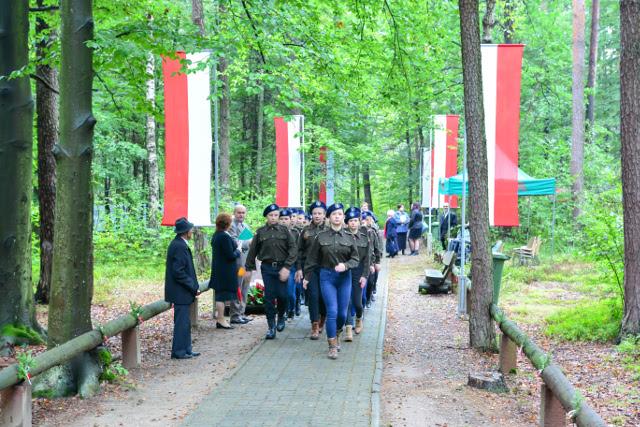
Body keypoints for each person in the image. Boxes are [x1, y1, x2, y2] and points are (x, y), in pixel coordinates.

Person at [304, 203, 359, 359]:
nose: (337, 217)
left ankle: (337, 332)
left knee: (342, 313)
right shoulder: (320, 237)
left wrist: (346, 265)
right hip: (327, 276)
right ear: (328, 217)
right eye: (334, 214)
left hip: (344, 278)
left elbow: (355, 259)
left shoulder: (349, 236)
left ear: (343, 217)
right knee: (332, 311)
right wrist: (307, 277)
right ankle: (332, 345)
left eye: (339, 214)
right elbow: (312, 259)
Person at [245, 204, 297, 339]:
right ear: (266, 217)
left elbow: (293, 249)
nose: (273, 218)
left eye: (276, 215)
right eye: (271, 215)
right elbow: (253, 251)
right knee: (269, 297)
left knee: (283, 296)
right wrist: (249, 268)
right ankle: (271, 326)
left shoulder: (285, 231)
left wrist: (287, 267)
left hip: (282, 267)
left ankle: (281, 316)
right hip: (267, 268)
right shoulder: (260, 232)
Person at [164, 217, 201, 360]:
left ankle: (186, 349)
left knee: (185, 322)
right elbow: (178, 271)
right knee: (181, 323)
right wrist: (193, 286)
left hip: (183, 291)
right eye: (191, 229)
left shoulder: (180, 243)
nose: (192, 231)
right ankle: (179, 351)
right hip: (180, 291)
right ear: (186, 231)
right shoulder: (178, 246)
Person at [295, 201, 328, 340]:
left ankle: (322, 319)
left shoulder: (329, 229)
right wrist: (299, 268)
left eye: (320, 213)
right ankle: (314, 324)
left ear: (324, 214)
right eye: (315, 213)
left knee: (323, 297)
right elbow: (299, 250)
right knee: (313, 296)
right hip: (310, 269)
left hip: (326, 268)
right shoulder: (306, 230)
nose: (317, 216)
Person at [209, 213, 241, 329]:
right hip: (224, 271)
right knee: (221, 296)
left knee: (220, 295)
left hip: (220, 270)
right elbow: (230, 255)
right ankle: (221, 319)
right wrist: (238, 250)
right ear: (227, 224)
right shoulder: (223, 236)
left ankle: (221, 319)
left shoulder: (217, 234)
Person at [343, 207, 370, 342]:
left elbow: (367, 259)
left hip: (358, 272)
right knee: (347, 301)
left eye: (355, 220)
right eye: (350, 221)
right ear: (347, 222)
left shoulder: (364, 238)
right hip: (345, 271)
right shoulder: (342, 236)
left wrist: (364, 275)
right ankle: (348, 328)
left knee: (357, 302)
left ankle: (359, 318)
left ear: (359, 222)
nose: (353, 223)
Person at [228, 204, 253, 325]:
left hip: (247, 263)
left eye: (243, 213)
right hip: (238, 264)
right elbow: (235, 243)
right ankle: (235, 315)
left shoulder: (245, 226)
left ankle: (242, 313)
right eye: (239, 212)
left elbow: (250, 243)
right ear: (234, 213)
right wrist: (249, 242)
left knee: (245, 287)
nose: (241, 215)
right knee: (238, 286)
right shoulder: (231, 226)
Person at [363, 211, 382, 309]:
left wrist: (377, 262)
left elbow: (377, 247)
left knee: (371, 281)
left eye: (367, 220)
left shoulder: (372, 232)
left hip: (371, 260)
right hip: (361, 262)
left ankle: (368, 298)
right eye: (363, 220)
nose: (365, 222)